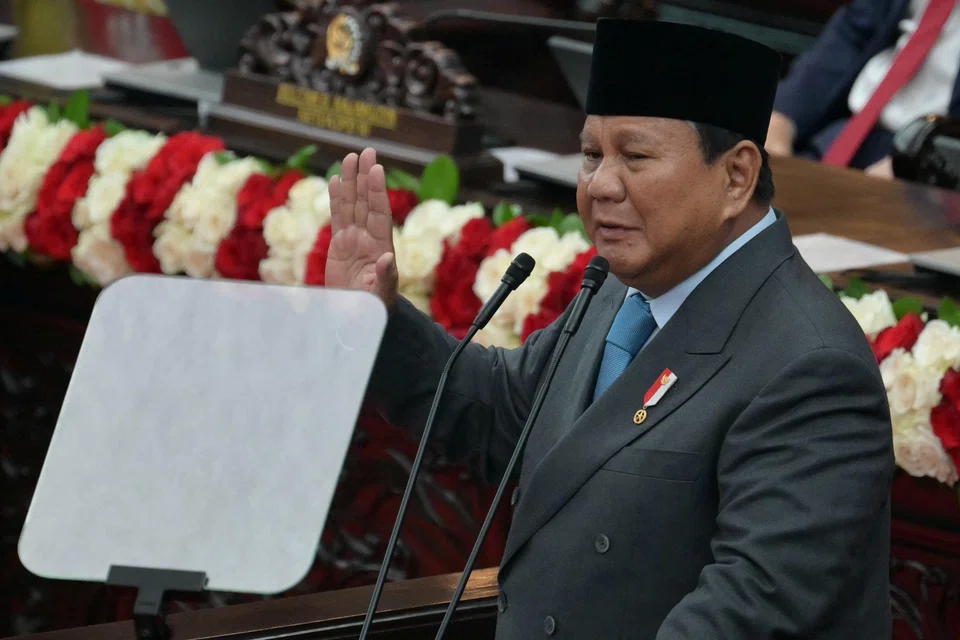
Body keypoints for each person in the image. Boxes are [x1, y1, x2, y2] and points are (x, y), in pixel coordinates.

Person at [326, 18, 894, 639]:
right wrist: (375, 318)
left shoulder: (811, 367)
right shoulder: (624, 285)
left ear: (736, 177)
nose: (599, 185)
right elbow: (501, 416)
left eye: (635, 157)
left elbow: (747, 615)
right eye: (592, 154)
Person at [768, 0, 960, 178]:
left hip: (933, 161)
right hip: (845, 131)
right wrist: (781, 117)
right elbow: (853, 34)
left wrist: (921, 161)